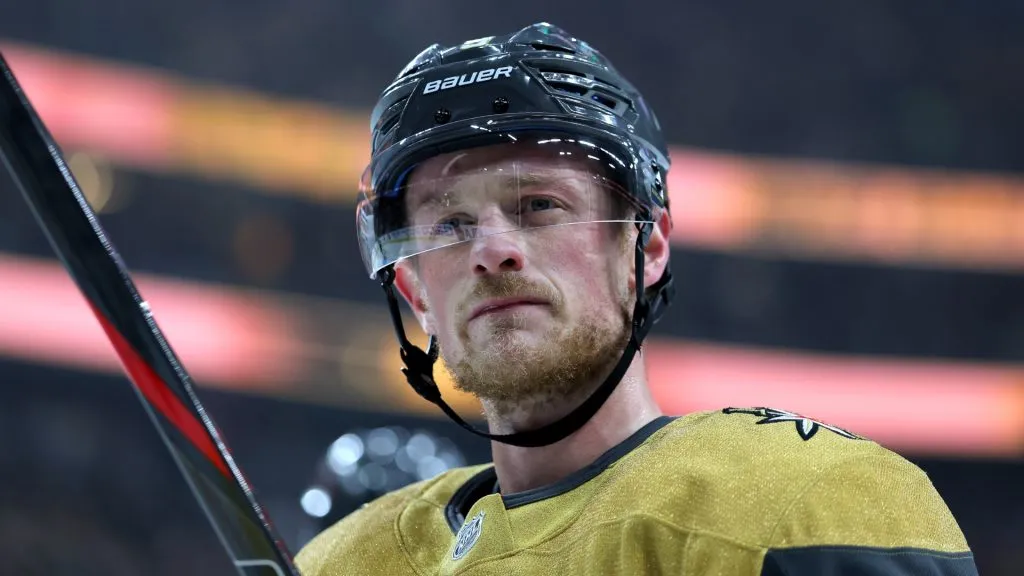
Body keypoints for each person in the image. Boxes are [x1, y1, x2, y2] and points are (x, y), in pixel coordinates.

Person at [296, 22, 977, 575]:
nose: (491, 250)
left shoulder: (808, 502)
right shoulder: (341, 564)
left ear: (645, 249)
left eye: (539, 204)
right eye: (449, 224)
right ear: (413, 286)